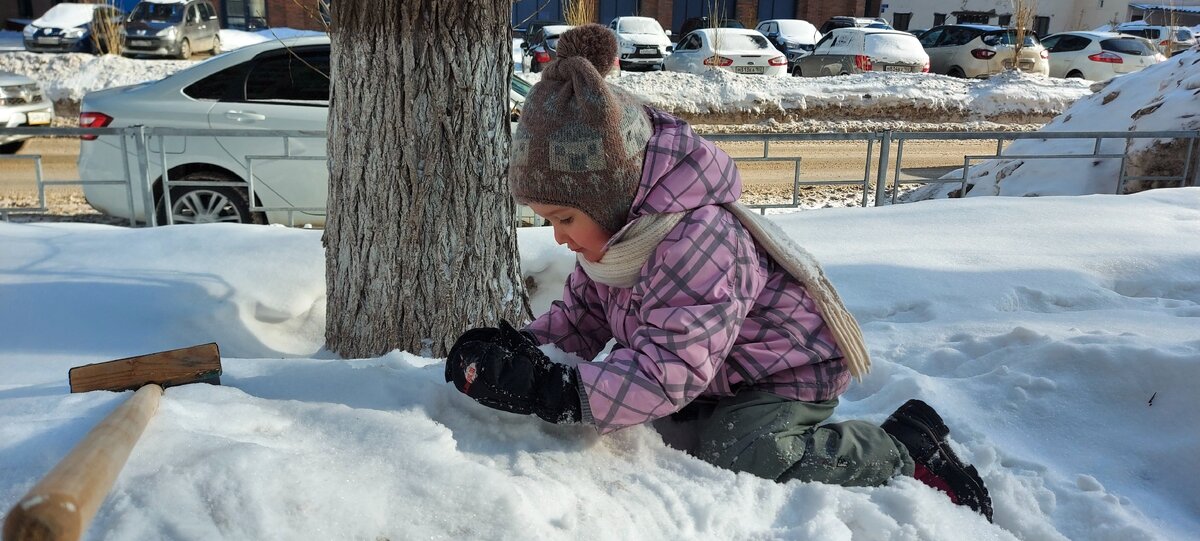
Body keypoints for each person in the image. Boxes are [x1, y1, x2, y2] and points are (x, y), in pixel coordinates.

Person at [444, 24, 992, 521]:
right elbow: (582, 320)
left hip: (784, 373)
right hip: (716, 369)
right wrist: (521, 350)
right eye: (547, 222)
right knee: (658, 428)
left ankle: (903, 447)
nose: (558, 237)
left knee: (741, 452)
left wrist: (556, 390)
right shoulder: (615, 242)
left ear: (610, 197)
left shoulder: (698, 240)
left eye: (564, 218)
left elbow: (668, 371)